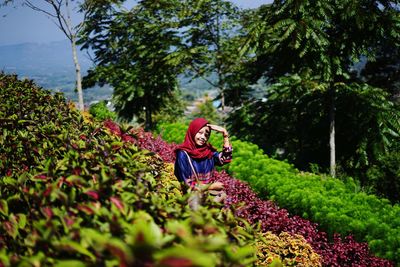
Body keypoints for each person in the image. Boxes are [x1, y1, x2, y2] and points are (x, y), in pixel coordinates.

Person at [174, 118, 232, 208]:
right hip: (190, 201)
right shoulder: (183, 154)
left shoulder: (208, 152)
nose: (203, 137)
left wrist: (225, 135)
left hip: (206, 198)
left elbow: (225, 159)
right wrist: (211, 186)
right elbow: (186, 183)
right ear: (193, 131)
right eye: (200, 133)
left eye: (206, 135)